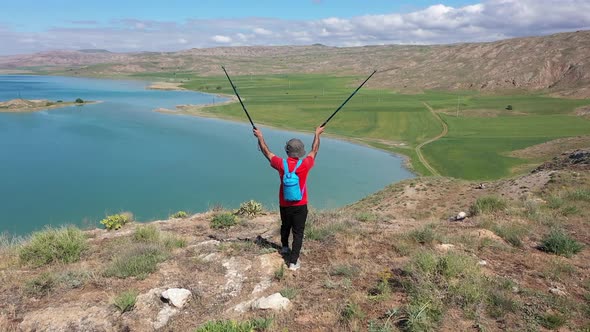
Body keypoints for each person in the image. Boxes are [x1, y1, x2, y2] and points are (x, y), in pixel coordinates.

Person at [253, 126, 324, 271]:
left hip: (284, 203)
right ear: (300, 152)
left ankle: (284, 247)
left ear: (287, 151)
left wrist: (260, 137)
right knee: (298, 233)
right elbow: (315, 150)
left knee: (285, 226)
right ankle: (293, 262)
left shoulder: (281, 164)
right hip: (300, 204)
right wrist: (317, 134)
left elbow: (266, 152)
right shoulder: (305, 164)